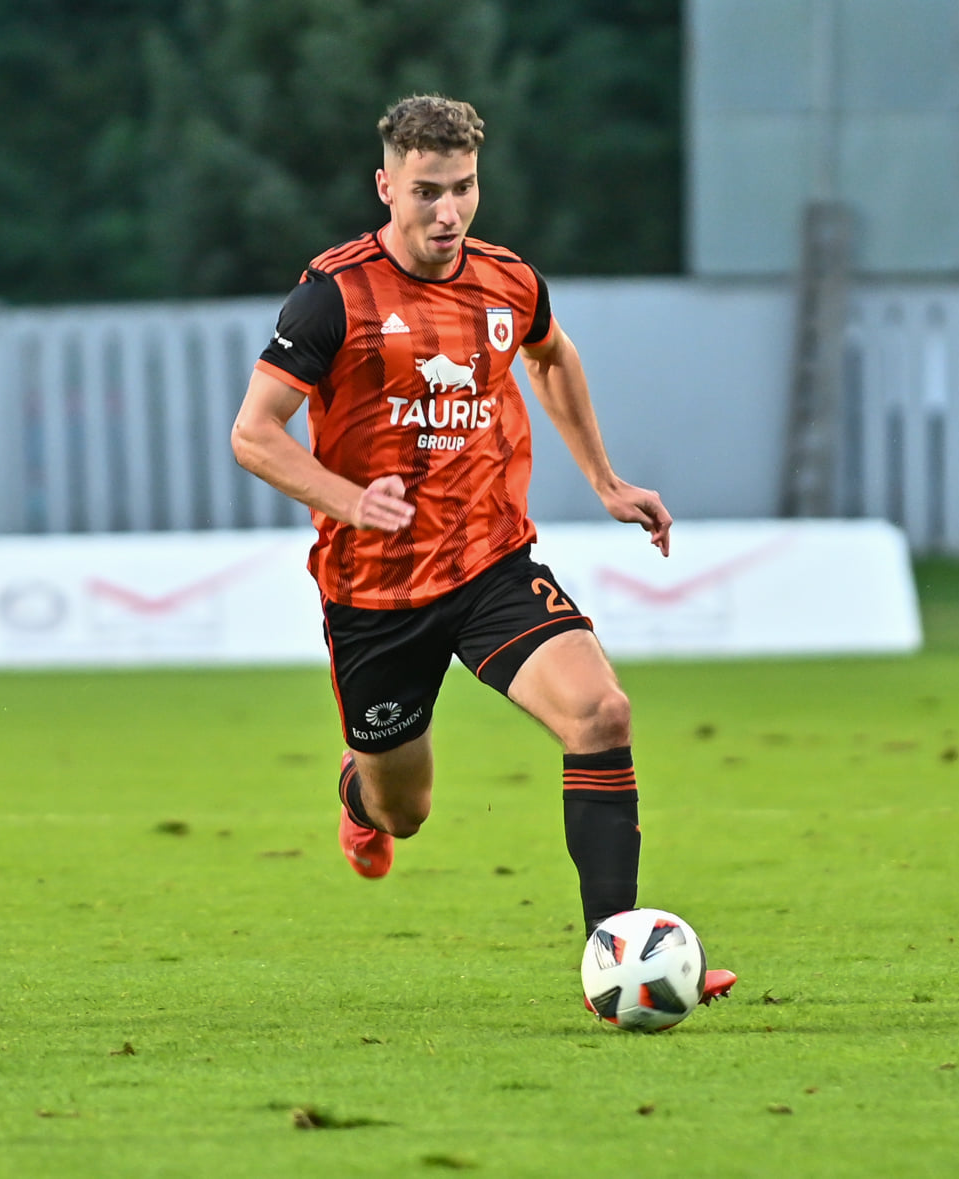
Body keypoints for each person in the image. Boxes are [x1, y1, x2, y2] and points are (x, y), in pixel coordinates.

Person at [230, 95, 732, 1012]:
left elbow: (552, 356)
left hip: (492, 562)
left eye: (462, 187)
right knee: (404, 810)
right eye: (426, 191)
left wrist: (605, 479)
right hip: (376, 593)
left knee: (602, 713)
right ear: (386, 187)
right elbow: (254, 434)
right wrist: (350, 501)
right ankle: (358, 795)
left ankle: (616, 953)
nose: (448, 210)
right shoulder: (332, 295)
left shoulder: (507, 280)